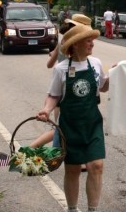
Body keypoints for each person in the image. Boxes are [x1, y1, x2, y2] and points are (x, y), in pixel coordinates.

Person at [36, 24, 109, 212]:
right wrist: (46, 110)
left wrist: (122, 74)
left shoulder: (95, 64)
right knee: (73, 168)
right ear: (75, 45)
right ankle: (71, 210)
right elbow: (54, 96)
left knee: (96, 165)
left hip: (92, 123)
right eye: (88, 40)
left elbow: (103, 85)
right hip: (70, 125)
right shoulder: (61, 69)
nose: (92, 43)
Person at [31, 14, 93, 150]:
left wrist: (55, 55)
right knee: (61, 130)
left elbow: (49, 64)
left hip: (65, 89)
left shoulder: (63, 42)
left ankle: (58, 154)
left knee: (63, 130)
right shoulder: (73, 46)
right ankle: (33, 150)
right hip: (64, 93)